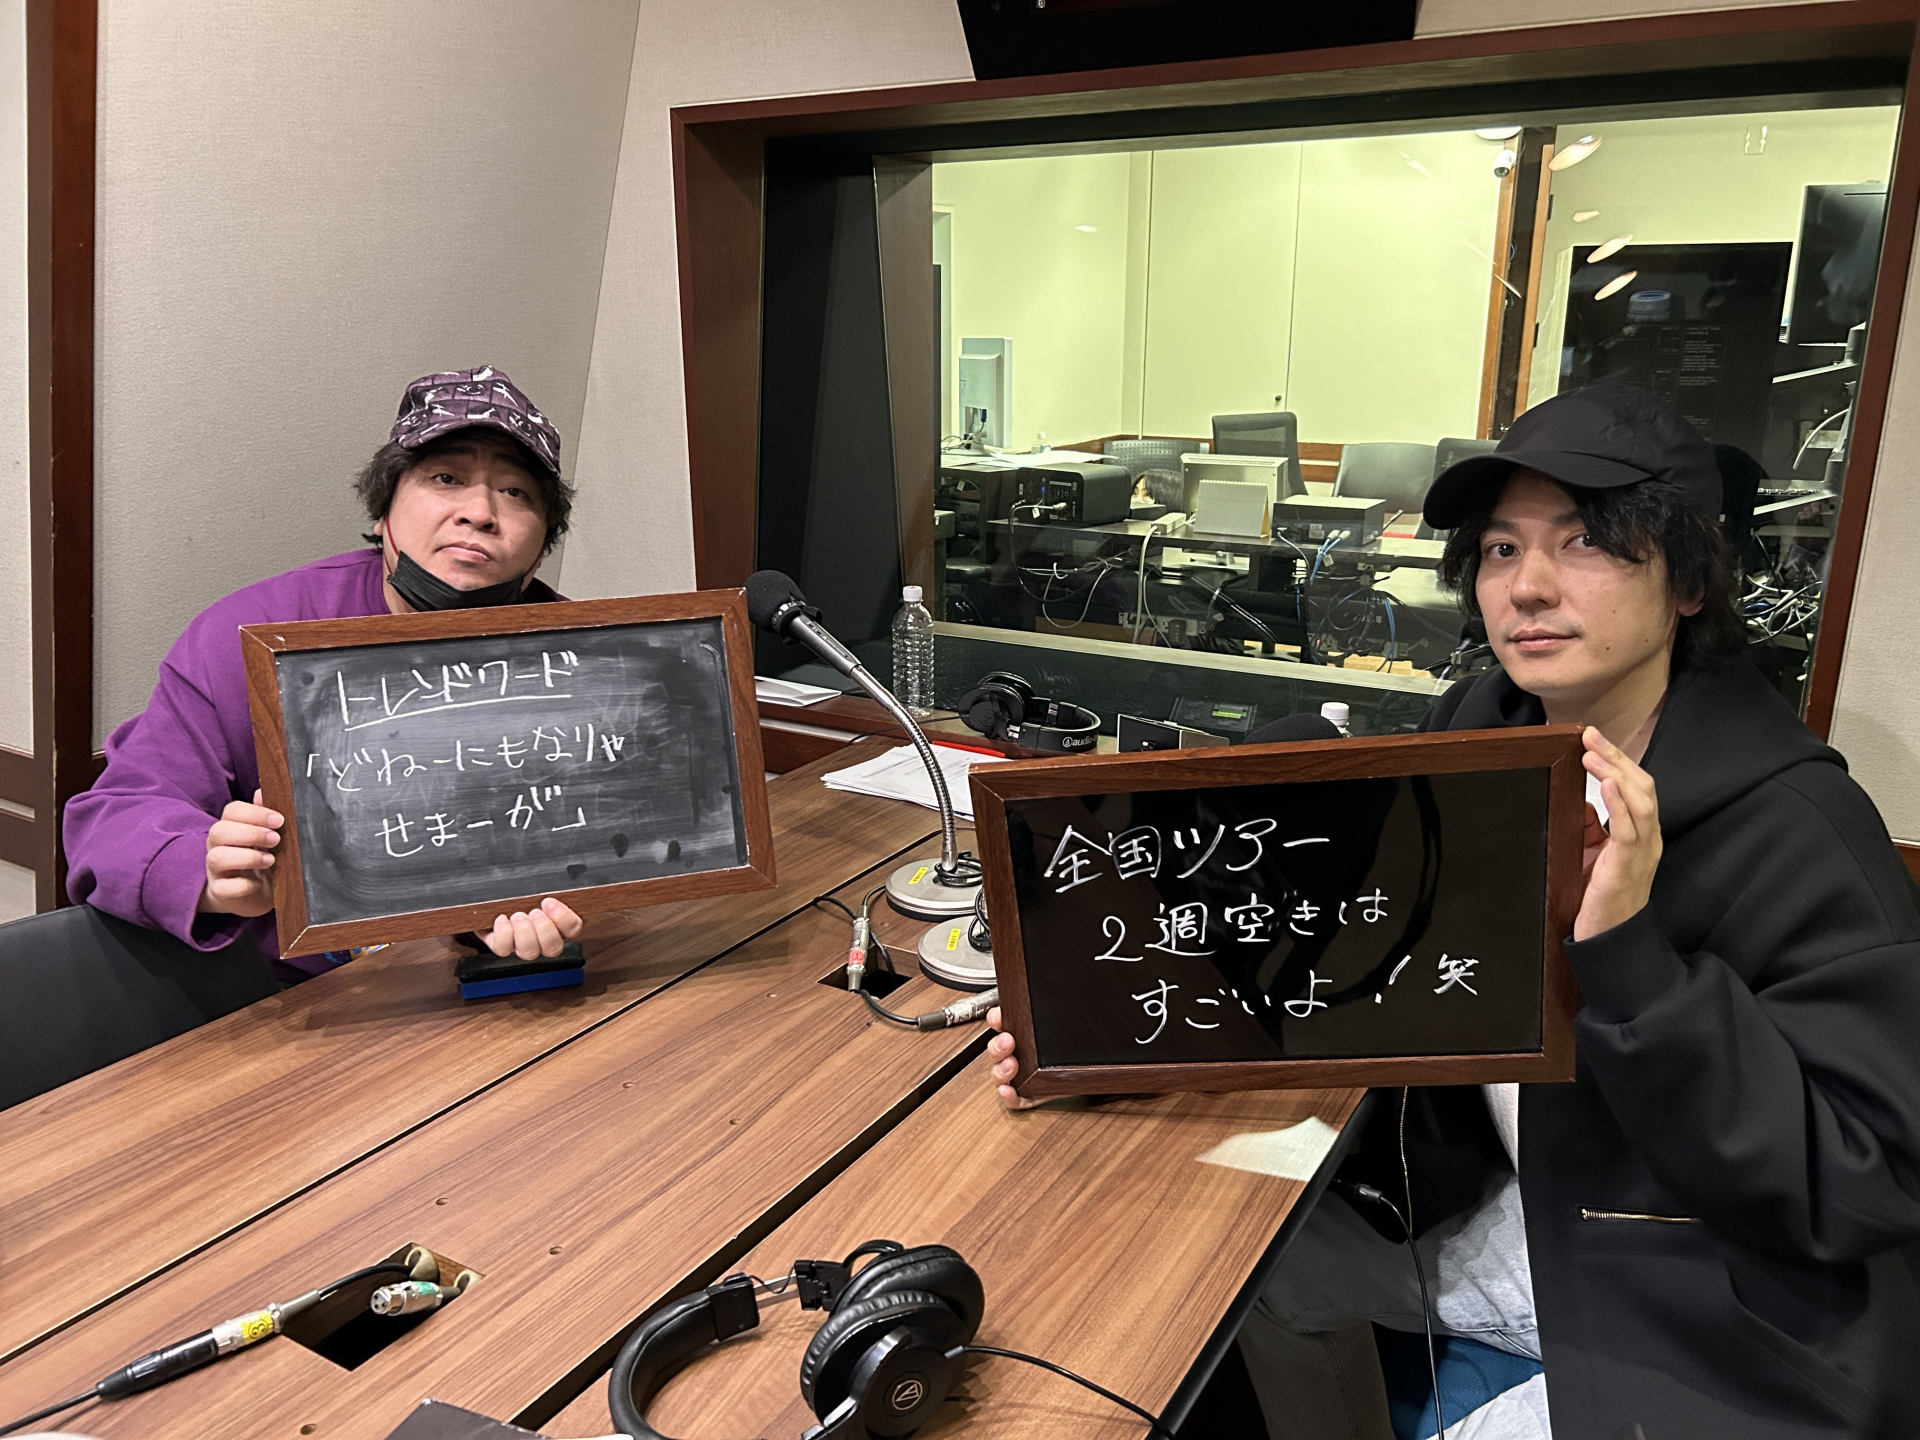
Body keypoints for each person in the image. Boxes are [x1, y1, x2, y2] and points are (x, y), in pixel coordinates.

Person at [986, 384, 1920, 1437]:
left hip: (1714, 1291)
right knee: (1241, 1264)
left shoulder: (1797, 829)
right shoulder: (1481, 739)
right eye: (1501, 549)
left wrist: (1631, 954)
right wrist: (1124, 1040)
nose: (1529, 586)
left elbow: (1868, 1184)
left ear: (1690, 582)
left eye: (1585, 542)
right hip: (1532, 1202)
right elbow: (1361, 961)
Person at [65, 366, 588, 984]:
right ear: (383, 512)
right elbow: (115, 817)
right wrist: (204, 868)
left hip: (510, 987)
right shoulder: (251, 633)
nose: (479, 511)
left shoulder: (585, 659)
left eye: (516, 492)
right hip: (297, 1002)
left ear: (541, 547)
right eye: (446, 478)